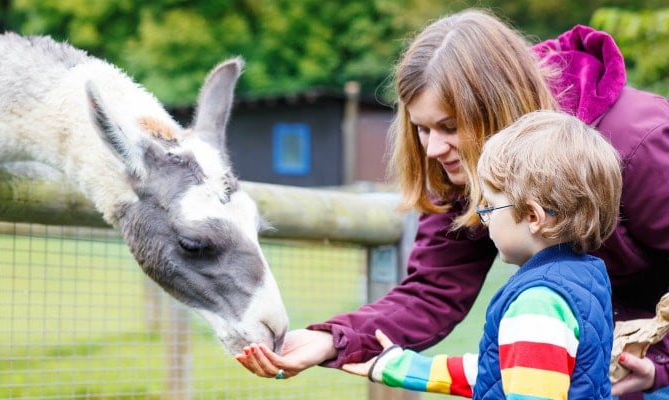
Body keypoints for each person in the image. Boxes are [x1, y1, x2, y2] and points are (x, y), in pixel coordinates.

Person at [235, 8, 669, 400]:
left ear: (497, 106)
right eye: (422, 129)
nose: (433, 149)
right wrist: (336, 338)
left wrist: (660, 365)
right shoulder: (474, 163)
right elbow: (433, 290)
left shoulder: (640, 145)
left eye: (448, 126)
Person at [340, 109, 621, 398]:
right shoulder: (584, 279)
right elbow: (499, 370)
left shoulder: (538, 303)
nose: (483, 218)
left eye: (490, 206)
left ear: (533, 216)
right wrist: (402, 366)